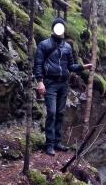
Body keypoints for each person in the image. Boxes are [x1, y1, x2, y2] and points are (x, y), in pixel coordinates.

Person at [34, 17, 93, 156]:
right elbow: (37, 64)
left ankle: (57, 142)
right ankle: (49, 144)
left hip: (63, 84)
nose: (59, 30)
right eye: (57, 27)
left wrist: (82, 67)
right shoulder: (44, 45)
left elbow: (71, 66)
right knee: (52, 112)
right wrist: (40, 81)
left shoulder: (67, 47)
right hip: (50, 83)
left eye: (62, 27)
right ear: (53, 29)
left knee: (60, 113)